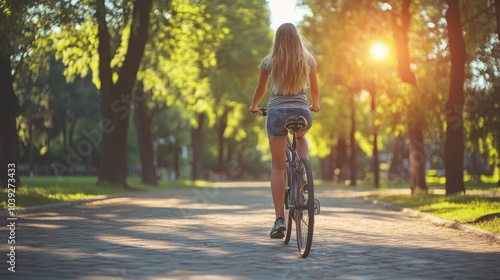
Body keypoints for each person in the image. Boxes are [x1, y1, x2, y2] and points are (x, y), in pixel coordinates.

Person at [249, 23, 320, 239]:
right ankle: (303, 168)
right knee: (302, 137)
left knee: (278, 168)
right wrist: (315, 105)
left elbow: (261, 89)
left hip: (276, 113)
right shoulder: (307, 59)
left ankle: (279, 219)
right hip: (301, 112)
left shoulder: (269, 61)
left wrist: (254, 106)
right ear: (297, 39)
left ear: (277, 40)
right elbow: (315, 90)